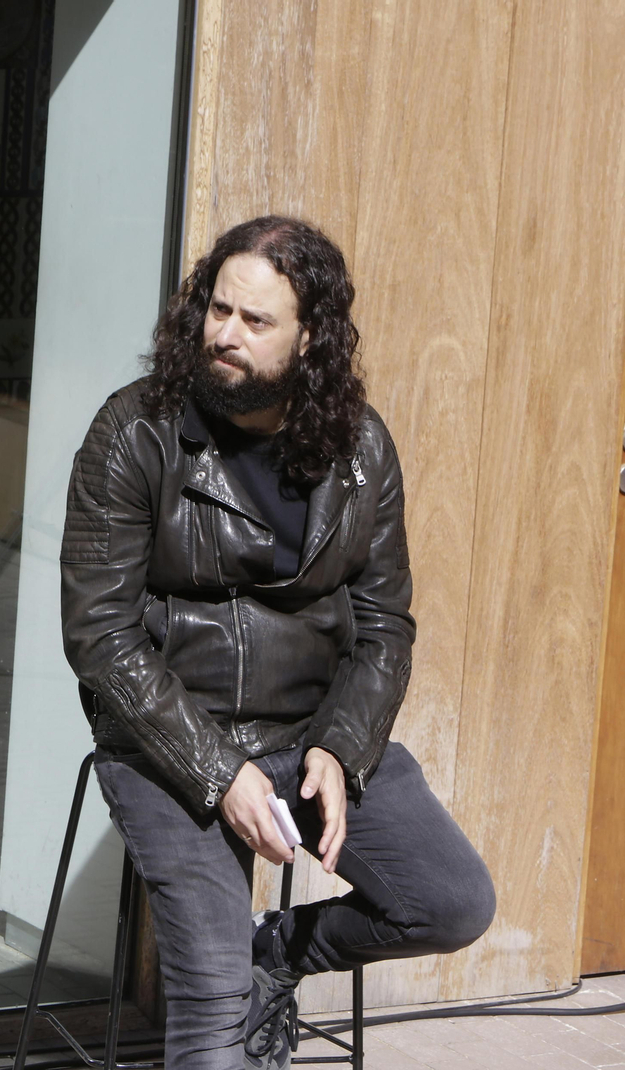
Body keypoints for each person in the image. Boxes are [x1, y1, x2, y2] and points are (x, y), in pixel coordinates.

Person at [60, 216, 495, 1070]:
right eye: (217, 309)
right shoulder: (135, 432)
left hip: (307, 737)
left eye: (255, 322)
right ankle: (233, 979)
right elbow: (100, 637)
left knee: (451, 903)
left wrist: (343, 745)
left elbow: (385, 626)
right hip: (169, 747)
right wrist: (219, 775)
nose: (224, 334)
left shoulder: (361, 447)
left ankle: (274, 954)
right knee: (214, 1022)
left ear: (310, 340)